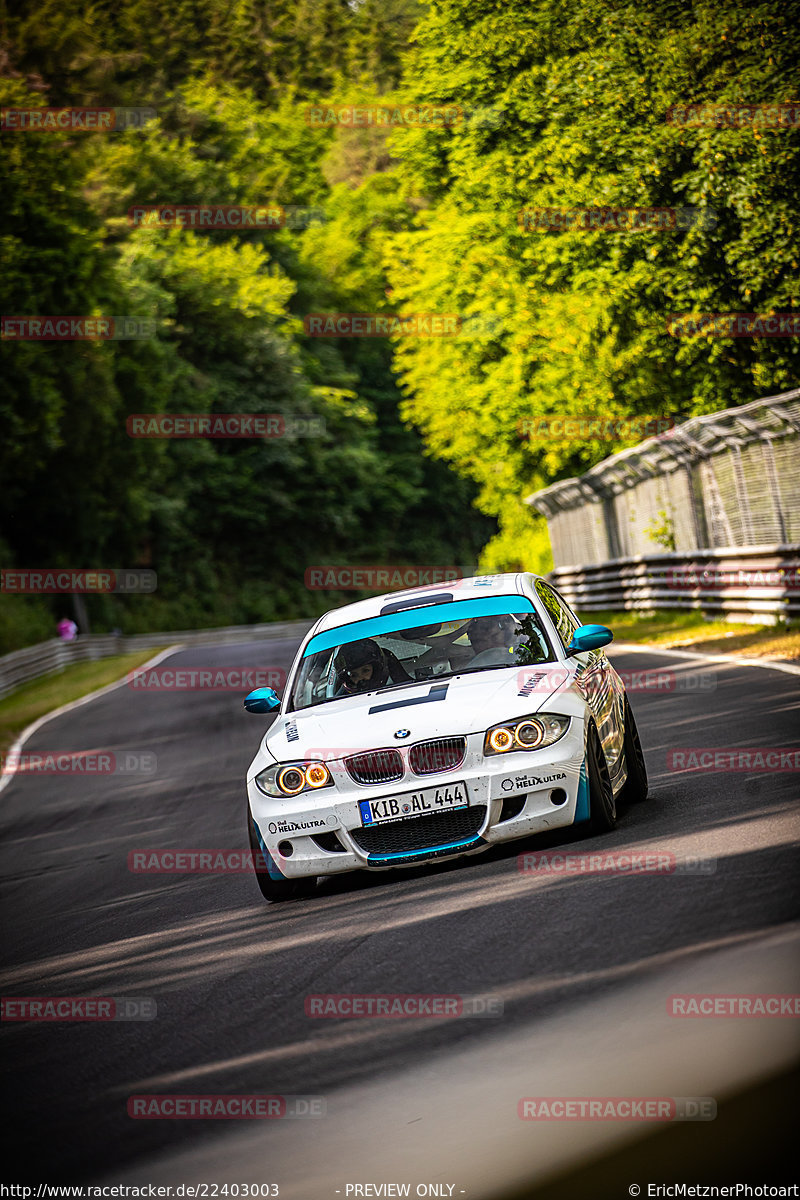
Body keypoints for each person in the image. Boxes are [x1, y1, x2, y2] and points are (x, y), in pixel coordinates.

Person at [334, 639, 413, 694]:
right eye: (354, 675)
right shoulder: (341, 701)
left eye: (365, 671)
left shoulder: (410, 689)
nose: (360, 678)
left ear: (377, 669)